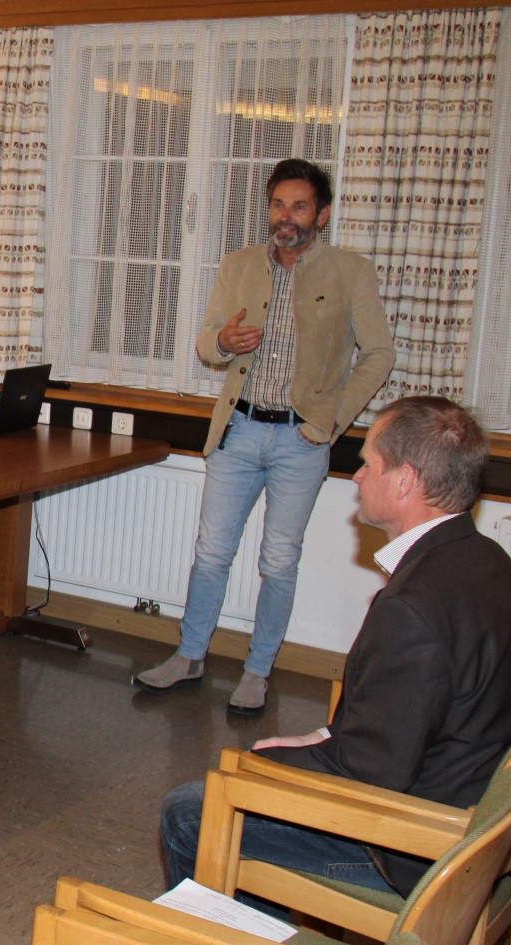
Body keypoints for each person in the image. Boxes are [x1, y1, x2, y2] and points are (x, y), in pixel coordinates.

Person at [161, 396, 511, 900]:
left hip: (414, 852)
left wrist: (268, 767)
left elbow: (370, 771)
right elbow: (414, 714)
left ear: (404, 481)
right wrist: (322, 737)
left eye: (370, 464)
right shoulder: (491, 561)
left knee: (192, 810)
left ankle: (237, 943)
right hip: (476, 814)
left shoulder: (412, 608)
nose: (357, 477)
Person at [135, 158, 396, 714]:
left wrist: (332, 419)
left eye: (299, 206)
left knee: (278, 560)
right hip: (239, 430)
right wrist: (223, 342)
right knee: (211, 552)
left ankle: (257, 672)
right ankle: (189, 655)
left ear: (321, 214)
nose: (286, 216)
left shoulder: (350, 272)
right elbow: (207, 342)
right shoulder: (238, 265)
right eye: (278, 204)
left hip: (301, 440)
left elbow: (379, 354)